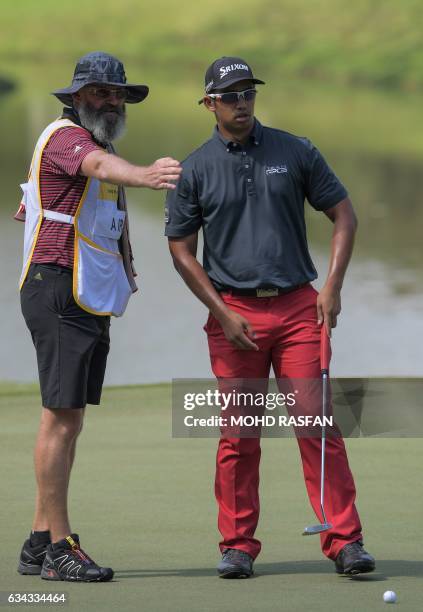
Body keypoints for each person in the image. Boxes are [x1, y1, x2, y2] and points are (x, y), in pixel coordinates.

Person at [165, 56, 375, 578]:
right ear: (209, 103)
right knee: (239, 435)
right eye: (230, 96)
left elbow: (343, 213)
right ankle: (237, 544)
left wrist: (333, 285)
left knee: (317, 424)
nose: (242, 103)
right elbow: (181, 249)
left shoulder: (295, 150)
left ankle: (344, 540)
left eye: (248, 93)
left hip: (300, 307)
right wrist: (219, 310)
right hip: (233, 313)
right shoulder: (194, 168)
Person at [16, 51, 181, 583]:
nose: (111, 101)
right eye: (101, 92)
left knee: (66, 416)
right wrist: (146, 174)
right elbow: (99, 168)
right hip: (59, 290)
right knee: (62, 417)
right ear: (78, 96)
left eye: (118, 94)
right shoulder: (69, 138)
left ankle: (40, 540)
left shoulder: (97, 141)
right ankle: (62, 547)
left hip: (79, 293)